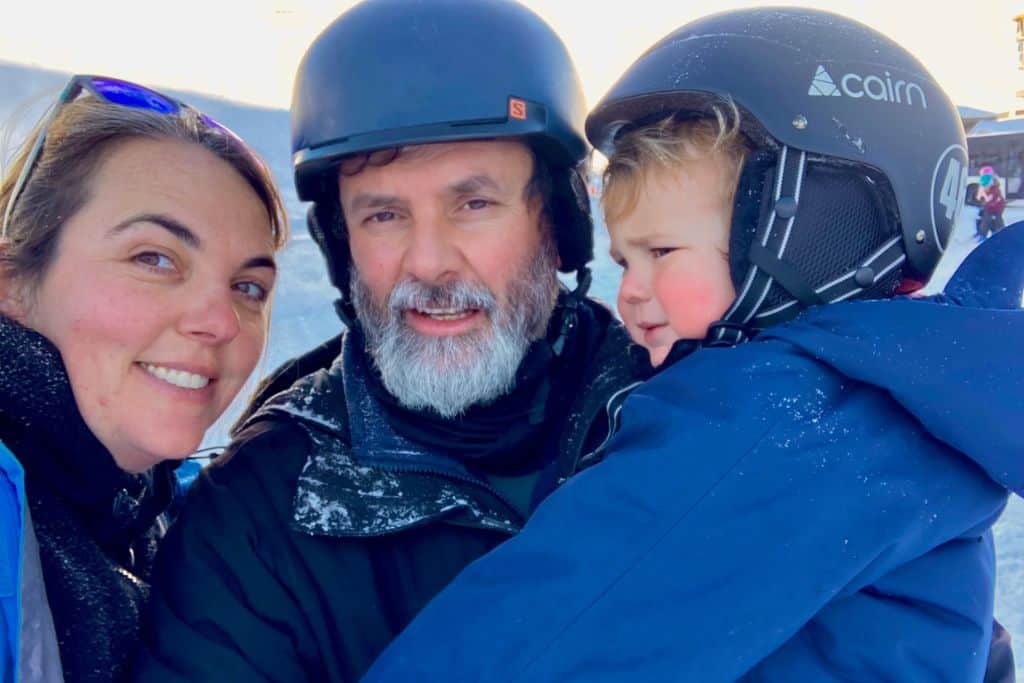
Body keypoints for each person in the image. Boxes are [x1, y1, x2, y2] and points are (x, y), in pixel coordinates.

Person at [362, 9, 1023, 682]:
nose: (630, 293)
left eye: (662, 252)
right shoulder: (890, 392)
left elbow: (555, 622)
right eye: (624, 261)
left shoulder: (776, 417)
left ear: (804, 234)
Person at [134, 1, 638, 680]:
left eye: (474, 203)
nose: (428, 263)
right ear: (341, 243)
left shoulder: (679, 417)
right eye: (384, 214)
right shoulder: (258, 515)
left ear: (560, 220)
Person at [0, 75, 286, 682]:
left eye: (247, 287)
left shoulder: (174, 520)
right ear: (12, 284)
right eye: (154, 258)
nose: (221, 321)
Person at [976, 166, 1007, 239]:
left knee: (998, 220)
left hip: (998, 207)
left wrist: (989, 203)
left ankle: (1000, 233)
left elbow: (996, 199)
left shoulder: (995, 188)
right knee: (986, 220)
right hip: (989, 208)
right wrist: (981, 200)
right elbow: (980, 196)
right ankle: (982, 234)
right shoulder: (983, 184)